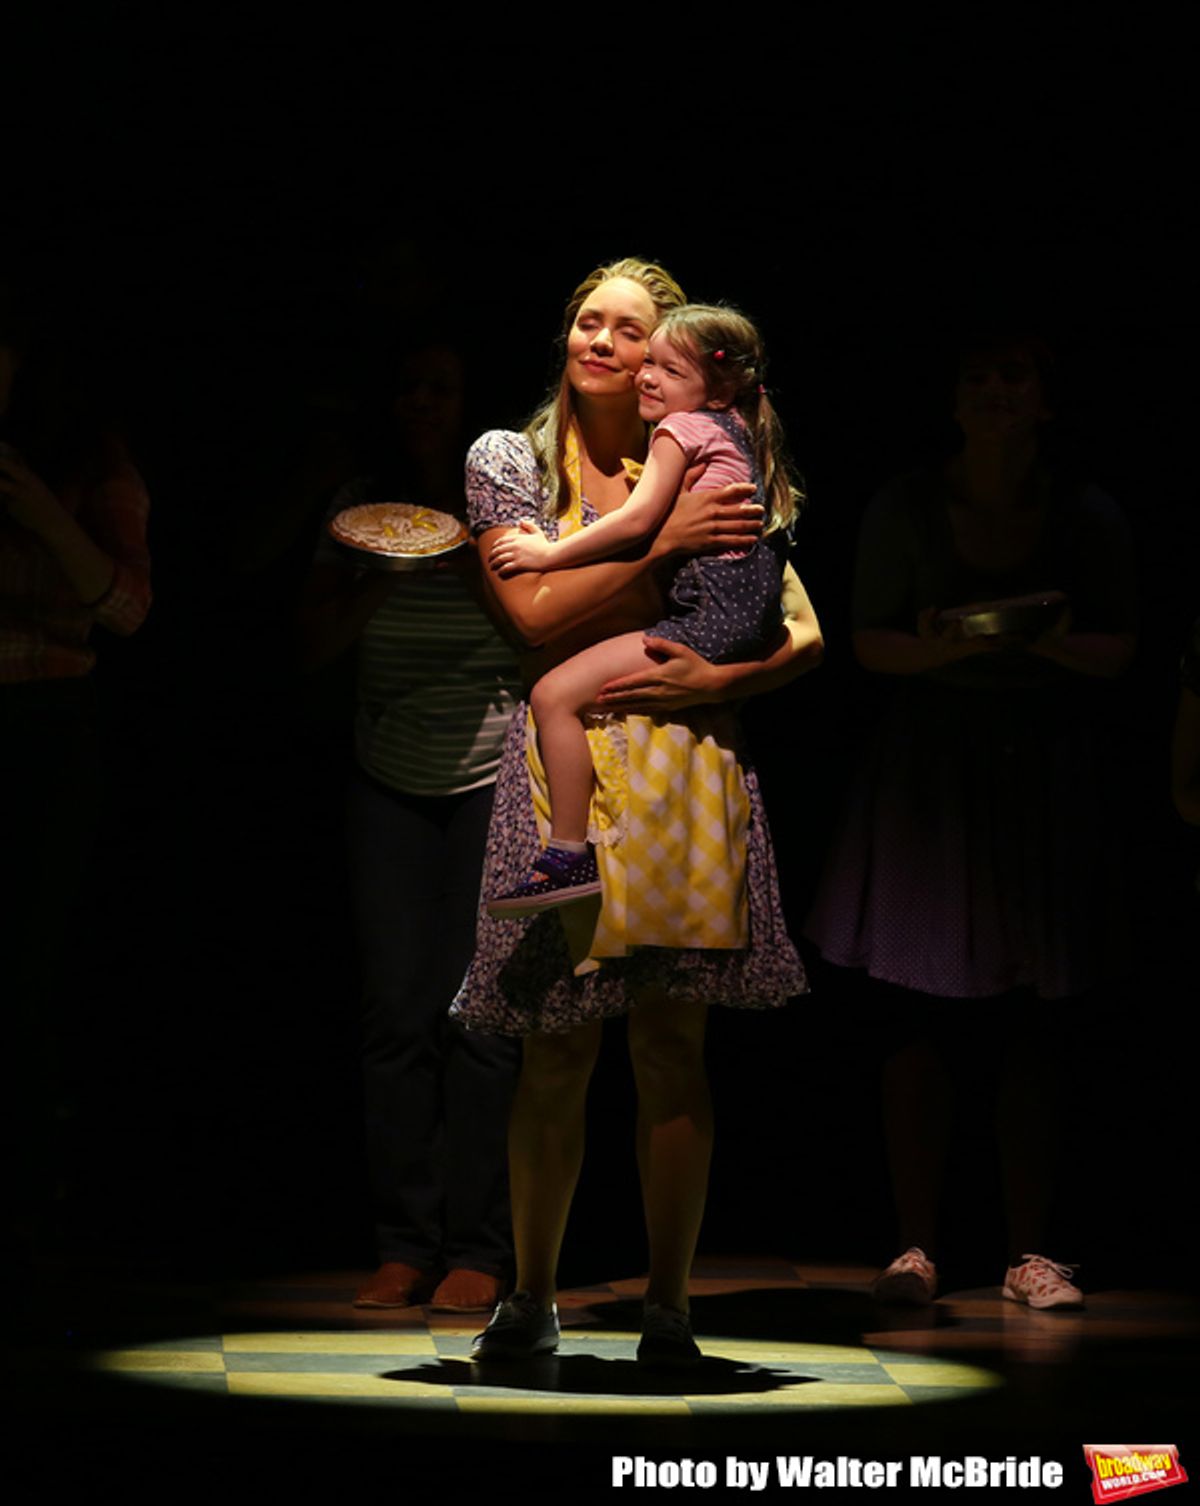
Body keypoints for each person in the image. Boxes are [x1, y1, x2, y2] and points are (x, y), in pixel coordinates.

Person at [452, 258, 822, 1365]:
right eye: (587, 321)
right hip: (567, 770)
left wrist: (720, 682)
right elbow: (531, 611)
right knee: (555, 1047)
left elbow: (798, 629)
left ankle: (669, 1308)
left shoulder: (717, 448)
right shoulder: (515, 460)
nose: (604, 344)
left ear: (677, 359)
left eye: (633, 331)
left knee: (672, 1047)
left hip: (686, 762)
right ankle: (529, 1296)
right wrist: (658, 548)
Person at [805, 334, 1137, 1310]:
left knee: (1033, 1015)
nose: (996, 392)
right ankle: (915, 1247)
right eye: (978, 376)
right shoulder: (908, 505)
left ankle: (1032, 1254)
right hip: (932, 771)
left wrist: (1039, 636)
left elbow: (1119, 647)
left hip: (1040, 764)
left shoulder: (1084, 512)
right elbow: (869, 641)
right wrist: (951, 641)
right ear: (953, 399)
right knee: (917, 1008)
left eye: (1015, 376)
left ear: (1044, 400)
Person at [300, 335, 523, 1312]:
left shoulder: (510, 498)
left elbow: (542, 628)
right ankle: (404, 1243)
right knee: (397, 1012)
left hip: (495, 769)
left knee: (482, 1016)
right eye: (408, 388)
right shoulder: (355, 503)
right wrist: (383, 566)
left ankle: (481, 1246)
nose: (422, 403)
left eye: (442, 385)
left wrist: (465, 548)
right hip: (387, 769)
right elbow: (308, 644)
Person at [486, 304, 800, 915]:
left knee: (554, 696)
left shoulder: (681, 431)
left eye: (667, 366)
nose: (649, 377)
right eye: (649, 363)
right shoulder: (736, 428)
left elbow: (635, 518)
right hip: (737, 622)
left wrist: (545, 553)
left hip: (706, 621)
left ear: (719, 383)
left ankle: (566, 856)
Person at [1, 282, 152, 1260]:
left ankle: (27, 1203)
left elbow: (128, 608)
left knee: (27, 964)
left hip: (43, 729)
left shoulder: (87, 462)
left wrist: (41, 514)